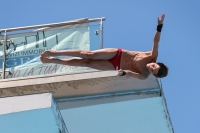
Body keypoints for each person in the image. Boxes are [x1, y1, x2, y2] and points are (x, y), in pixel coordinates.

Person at [40, 14, 168, 80]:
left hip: (116, 66)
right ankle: (55, 52)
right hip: (118, 54)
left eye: (152, 71)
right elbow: (156, 40)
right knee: (88, 55)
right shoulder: (152, 56)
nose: (150, 68)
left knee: (86, 63)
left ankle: (52, 60)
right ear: (157, 63)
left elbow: (132, 75)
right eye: (153, 66)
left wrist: (124, 73)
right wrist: (159, 26)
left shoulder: (144, 75)